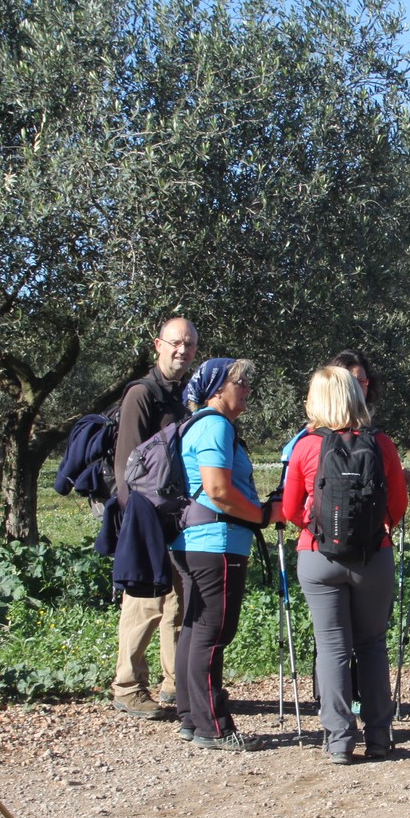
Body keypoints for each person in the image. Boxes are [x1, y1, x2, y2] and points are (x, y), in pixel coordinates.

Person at [283, 366, 410, 764]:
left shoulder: (306, 446)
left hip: (318, 556)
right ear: (356, 396)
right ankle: (379, 737)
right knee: (371, 644)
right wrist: (375, 529)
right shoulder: (381, 443)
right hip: (373, 556)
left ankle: (339, 740)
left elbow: (289, 509)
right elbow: (398, 505)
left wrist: (316, 527)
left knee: (332, 647)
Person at [172, 357, 281, 752]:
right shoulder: (215, 426)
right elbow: (217, 490)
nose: (248, 389)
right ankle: (213, 727)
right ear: (217, 388)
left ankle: (191, 718)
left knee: (195, 629)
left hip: (193, 541)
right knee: (212, 633)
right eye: (241, 382)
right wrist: (263, 515)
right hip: (216, 543)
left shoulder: (198, 425)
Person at [110, 316, 197, 719]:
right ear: (158, 345)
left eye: (190, 344)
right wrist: (137, 522)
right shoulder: (141, 395)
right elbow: (126, 465)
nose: (183, 350)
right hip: (145, 516)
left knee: (177, 601)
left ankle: (176, 684)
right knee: (143, 601)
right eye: (176, 342)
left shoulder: (182, 396)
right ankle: (128, 686)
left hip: (174, 516)